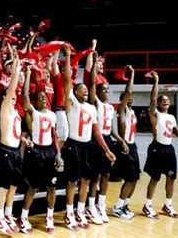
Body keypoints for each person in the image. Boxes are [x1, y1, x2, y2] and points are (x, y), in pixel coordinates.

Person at [61, 44, 116, 231]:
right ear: (75, 93)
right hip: (73, 144)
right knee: (72, 181)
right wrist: (69, 56)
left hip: (89, 146)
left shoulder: (92, 108)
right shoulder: (72, 103)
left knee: (85, 180)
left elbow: (96, 131)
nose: (85, 91)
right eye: (81, 89)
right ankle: (69, 213)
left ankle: (80, 210)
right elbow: (68, 79)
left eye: (86, 90)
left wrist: (107, 150)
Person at [142, 71, 178, 219]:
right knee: (155, 178)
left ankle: (168, 205)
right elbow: (153, 98)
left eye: (168, 100)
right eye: (163, 100)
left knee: (171, 178)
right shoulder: (154, 113)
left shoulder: (171, 117)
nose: (166, 101)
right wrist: (156, 80)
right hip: (157, 148)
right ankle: (147, 205)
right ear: (158, 103)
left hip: (169, 149)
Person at [18, 67, 62, 234]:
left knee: (52, 187)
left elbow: (55, 136)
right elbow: (24, 96)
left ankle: (49, 217)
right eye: (40, 97)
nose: (44, 98)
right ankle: (23, 217)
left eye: (45, 97)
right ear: (35, 101)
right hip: (36, 151)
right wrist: (28, 74)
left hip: (50, 151)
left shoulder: (52, 115)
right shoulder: (33, 112)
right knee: (33, 187)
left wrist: (58, 153)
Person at [87, 53, 128, 224]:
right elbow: (90, 81)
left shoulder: (110, 108)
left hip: (108, 139)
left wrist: (120, 140)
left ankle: (101, 205)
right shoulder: (95, 102)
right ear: (97, 92)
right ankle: (90, 206)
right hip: (96, 140)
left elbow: (110, 128)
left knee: (106, 175)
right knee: (95, 176)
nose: (107, 92)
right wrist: (95, 62)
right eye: (104, 89)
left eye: (108, 90)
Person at [0, 56, 26, 235]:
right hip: (5, 151)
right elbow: (12, 88)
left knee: (14, 185)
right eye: (11, 96)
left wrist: (23, 140)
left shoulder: (15, 112)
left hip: (14, 150)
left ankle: (7, 213)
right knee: (4, 186)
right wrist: (17, 71)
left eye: (14, 98)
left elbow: (15, 131)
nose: (13, 98)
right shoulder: (5, 106)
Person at [113, 65, 139, 219]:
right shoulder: (122, 110)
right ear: (122, 99)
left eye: (131, 99)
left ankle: (124, 205)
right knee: (129, 179)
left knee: (135, 178)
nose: (130, 99)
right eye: (127, 98)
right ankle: (117, 207)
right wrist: (132, 74)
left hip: (133, 145)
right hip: (124, 146)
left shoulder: (133, 111)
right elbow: (129, 91)